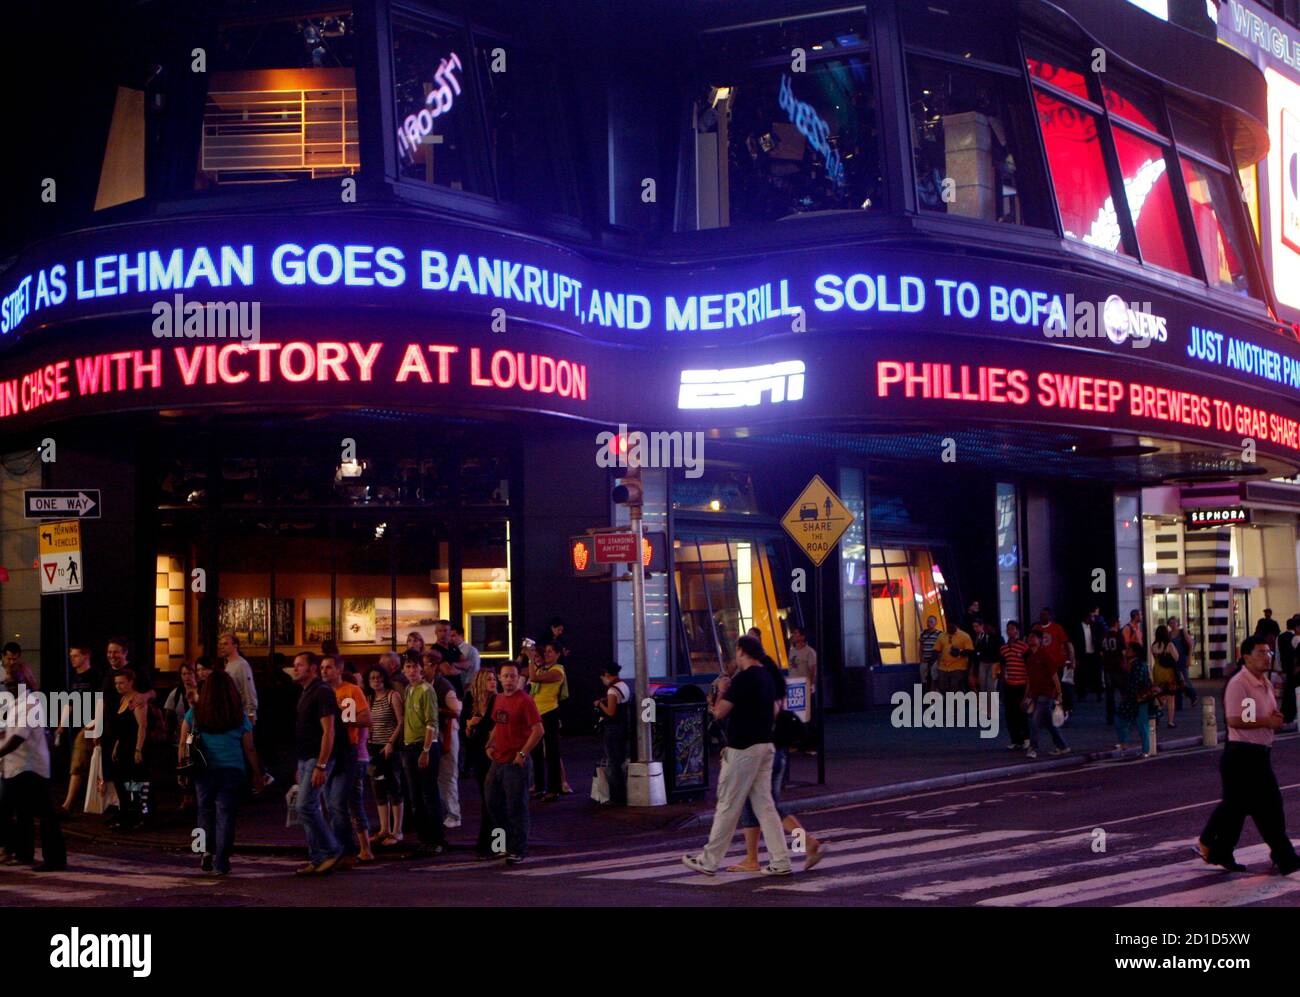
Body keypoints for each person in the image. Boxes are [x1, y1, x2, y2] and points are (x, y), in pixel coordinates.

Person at [682, 635, 793, 877]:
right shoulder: (767, 677)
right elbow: (775, 711)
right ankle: (780, 859)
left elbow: (719, 713)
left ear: (742, 651)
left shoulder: (743, 679)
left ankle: (709, 860)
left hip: (742, 748)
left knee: (727, 805)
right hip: (765, 746)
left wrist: (720, 692)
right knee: (765, 806)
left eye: (736, 652)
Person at [1196, 635, 1300, 875]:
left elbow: (1254, 714)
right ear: (1246, 657)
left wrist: (1274, 719)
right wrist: (1267, 721)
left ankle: (1216, 848)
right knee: (1267, 806)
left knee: (1237, 808)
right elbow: (1235, 719)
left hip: (1259, 754)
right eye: (1261, 653)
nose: (1267, 657)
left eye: (1269, 652)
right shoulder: (1240, 683)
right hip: (1243, 755)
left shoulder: (1263, 681)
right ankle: (1284, 856)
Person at [724, 638, 825, 873]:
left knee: (768, 807)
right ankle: (752, 858)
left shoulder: (758, 682)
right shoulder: (772, 682)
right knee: (758, 806)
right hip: (775, 751)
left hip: (762, 750)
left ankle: (807, 843)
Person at [178, 669, 265, 875]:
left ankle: (204, 851)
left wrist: (181, 767)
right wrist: (257, 774)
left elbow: (183, 742)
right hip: (232, 769)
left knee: (204, 811)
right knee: (226, 815)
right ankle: (222, 860)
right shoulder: (238, 715)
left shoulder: (196, 713)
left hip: (204, 769)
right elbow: (249, 748)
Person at [0, 660, 66, 871]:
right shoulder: (14, 703)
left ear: (25, 681)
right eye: (6, 683)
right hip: (16, 766)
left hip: (31, 767)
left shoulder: (30, 704)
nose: (9, 687)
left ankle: (54, 859)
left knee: (44, 814)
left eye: (13, 683)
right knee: (22, 813)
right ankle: (23, 853)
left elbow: (18, 737)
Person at [484, 662, 544, 863]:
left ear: (518, 678)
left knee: (516, 807)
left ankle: (518, 849)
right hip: (499, 759)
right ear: (500, 678)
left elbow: (538, 730)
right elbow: (497, 724)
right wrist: (489, 744)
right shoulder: (499, 699)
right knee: (493, 803)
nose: (509, 680)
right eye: (505, 676)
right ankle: (501, 845)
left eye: (512, 676)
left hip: (515, 762)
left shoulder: (525, 701)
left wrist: (523, 754)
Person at [291, 652, 344, 875]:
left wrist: (321, 764)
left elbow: (328, 731)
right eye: (294, 665)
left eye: (299, 665)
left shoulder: (321, 692)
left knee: (305, 805)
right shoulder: (306, 692)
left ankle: (332, 849)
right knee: (306, 807)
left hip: (317, 758)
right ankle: (317, 857)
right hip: (306, 758)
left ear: (312, 668)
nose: (295, 669)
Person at [322, 656, 372, 866]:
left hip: (349, 752)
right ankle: (339, 847)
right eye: (322, 668)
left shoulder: (351, 691)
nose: (325, 671)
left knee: (344, 803)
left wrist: (344, 720)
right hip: (329, 752)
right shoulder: (322, 693)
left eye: (329, 667)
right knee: (332, 803)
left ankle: (352, 848)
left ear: (339, 669)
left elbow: (366, 719)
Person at [399, 656, 447, 855]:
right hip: (410, 746)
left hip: (424, 746)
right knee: (415, 797)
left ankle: (436, 839)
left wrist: (426, 750)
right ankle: (424, 838)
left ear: (421, 669)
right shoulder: (409, 690)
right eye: (408, 667)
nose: (411, 671)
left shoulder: (427, 690)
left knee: (429, 795)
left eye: (414, 667)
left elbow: (432, 722)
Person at [102, 669, 152, 830]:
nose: (118, 686)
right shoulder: (122, 699)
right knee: (122, 783)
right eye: (116, 683)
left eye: (122, 682)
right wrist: (117, 745)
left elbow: (142, 726)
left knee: (135, 783)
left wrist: (138, 749)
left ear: (131, 682)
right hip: (123, 746)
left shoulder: (136, 700)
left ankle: (141, 816)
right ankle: (126, 814)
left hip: (133, 746)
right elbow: (122, 728)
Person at [55, 644, 102, 814]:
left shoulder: (95, 677)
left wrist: (97, 724)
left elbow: (100, 702)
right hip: (81, 724)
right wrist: (62, 724)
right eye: (71, 655)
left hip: (91, 723)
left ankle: (68, 805)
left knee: (78, 761)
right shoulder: (76, 678)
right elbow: (71, 702)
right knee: (85, 763)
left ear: (86, 656)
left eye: (75, 655)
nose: (72, 659)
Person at [365, 665, 405, 846]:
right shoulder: (369, 698)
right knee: (378, 788)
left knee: (394, 788)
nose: (376, 681)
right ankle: (384, 829)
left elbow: (401, 721)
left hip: (389, 749)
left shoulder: (392, 696)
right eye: (372, 678)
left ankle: (397, 831)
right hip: (373, 749)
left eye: (379, 677)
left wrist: (391, 742)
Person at [423, 650, 463, 829]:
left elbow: (456, 711)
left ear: (433, 666)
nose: (420, 669)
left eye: (423, 665)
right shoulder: (422, 685)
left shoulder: (444, 686)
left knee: (447, 774)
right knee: (435, 775)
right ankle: (441, 812)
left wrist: (437, 711)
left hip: (446, 732)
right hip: (431, 732)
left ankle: (454, 814)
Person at [464, 667, 500, 857]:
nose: (493, 683)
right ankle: (489, 844)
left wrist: (479, 724)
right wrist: (470, 726)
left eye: (494, 679)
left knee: (495, 802)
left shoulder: (498, 701)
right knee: (487, 801)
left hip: (495, 755)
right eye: (489, 680)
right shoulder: (472, 701)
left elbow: (495, 726)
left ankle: (496, 845)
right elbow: (467, 732)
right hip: (479, 756)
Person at [527, 640, 566, 801]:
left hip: (549, 712)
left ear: (558, 654)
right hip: (537, 712)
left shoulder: (558, 671)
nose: (548, 654)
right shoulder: (544, 668)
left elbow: (534, 678)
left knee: (552, 752)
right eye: (547, 651)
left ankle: (554, 789)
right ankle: (540, 786)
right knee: (536, 752)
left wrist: (530, 658)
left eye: (551, 651)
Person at [1022, 631, 1068, 760]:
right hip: (1036, 694)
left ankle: (1033, 748)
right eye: (1029, 637)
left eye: (1034, 637)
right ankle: (1062, 745)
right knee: (1048, 722)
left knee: (1035, 721)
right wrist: (1026, 696)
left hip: (1046, 694)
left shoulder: (1045, 655)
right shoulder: (1030, 658)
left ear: (1040, 640)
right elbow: (1029, 679)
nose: (1031, 639)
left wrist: (1059, 693)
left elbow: (1054, 675)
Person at [594, 664, 631, 807]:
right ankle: (621, 794)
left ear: (607, 674)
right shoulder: (623, 685)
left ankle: (617, 797)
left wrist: (599, 704)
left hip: (613, 729)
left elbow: (610, 712)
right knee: (620, 760)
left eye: (603, 677)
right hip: (623, 727)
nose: (602, 680)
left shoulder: (612, 690)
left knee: (614, 762)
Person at [1115, 638, 1154, 757]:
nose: (1126, 651)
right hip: (1139, 697)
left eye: (1129, 649)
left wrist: (1127, 694)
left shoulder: (1137, 665)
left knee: (1130, 720)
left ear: (1135, 652)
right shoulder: (1134, 664)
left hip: (1138, 697)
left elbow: (1135, 681)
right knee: (1137, 722)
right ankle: (1142, 748)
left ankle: (1132, 745)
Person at [999, 622, 1030, 751]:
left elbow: (1028, 665)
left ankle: (1026, 739)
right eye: (1008, 629)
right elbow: (1003, 664)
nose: (1009, 631)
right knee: (1010, 713)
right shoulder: (1004, 648)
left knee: (1021, 713)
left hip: (1022, 684)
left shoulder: (1024, 647)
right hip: (1009, 684)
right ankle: (1015, 740)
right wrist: (1003, 677)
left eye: (1012, 629)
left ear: (1017, 631)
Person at [217, 632, 258, 725]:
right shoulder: (229, 665)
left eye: (225, 644)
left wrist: (251, 717)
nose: (222, 647)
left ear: (235, 645)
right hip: (232, 714)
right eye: (220, 644)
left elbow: (249, 691)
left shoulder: (241, 665)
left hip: (241, 716)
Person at [1150, 625, 1181, 729]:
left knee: (1159, 694)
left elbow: (1155, 658)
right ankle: (1170, 721)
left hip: (1157, 671)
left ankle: (1158, 712)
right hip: (1168, 672)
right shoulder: (1169, 645)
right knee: (1171, 697)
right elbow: (1176, 657)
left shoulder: (1153, 645)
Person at [932, 621, 973, 694]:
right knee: (943, 686)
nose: (950, 628)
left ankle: (954, 704)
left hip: (958, 666)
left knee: (954, 687)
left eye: (951, 627)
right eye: (948, 627)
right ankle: (948, 702)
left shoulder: (964, 636)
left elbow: (970, 651)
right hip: (943, 667)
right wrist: (933, 663)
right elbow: (936, 650)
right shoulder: (942, 636)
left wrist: (959, 652)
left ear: (956, 626)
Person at [431, 620, 467, 697]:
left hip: (458, 690)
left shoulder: (453, 647)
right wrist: (461, 668)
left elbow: (468, 663)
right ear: (436, 632)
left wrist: (454, 664)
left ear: (450, 632)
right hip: (444, 692)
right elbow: (449, 671)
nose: (443, 634)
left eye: (445, 630)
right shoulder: (435, 650)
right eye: (440, 631)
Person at [1169, 617, 1199, 710]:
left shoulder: (1182, 632)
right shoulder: (1169, 635)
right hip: (1174, 659)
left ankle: (1193, 695)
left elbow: (1191, 644)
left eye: (1174, 622)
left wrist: (1189, 658)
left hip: (1182, 657)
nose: (1173, 625)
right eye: (1171, 623)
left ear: (1177, 623)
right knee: (1177, 680)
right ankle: (1179, 704)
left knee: (1184, 678)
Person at [1100, 618, 1125, 725]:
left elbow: (1101, 652)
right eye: (1118, 622)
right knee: (1123, 691)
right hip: (1118, 666)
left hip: (1107, 667)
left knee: (1109, 693)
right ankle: (1125, 713)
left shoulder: (1104, 636)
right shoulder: (1119, 636)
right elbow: (1123, 652)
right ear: (1115, 623)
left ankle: (1110, 717)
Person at [1078, 606, 1106, 702]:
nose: (1092, 619)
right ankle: (1082, 694)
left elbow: (1100, 638)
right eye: (1091, 617)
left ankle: (1099, 693)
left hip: (1094, 653)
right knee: (1082, 675)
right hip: (1083, 654)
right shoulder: (1079, 627)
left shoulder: (1095, 626)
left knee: (1097, 674)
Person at [450, 624, 481, 702]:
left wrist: (465, 691)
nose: (450, 639)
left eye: (453, 635)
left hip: (466, 691)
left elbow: (474, 672)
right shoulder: (450, 649)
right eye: (449, 636)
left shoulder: (471, 650)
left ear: (461, 635)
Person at [972, 619, 1003, 694]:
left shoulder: (999, 638)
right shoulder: (982, 636)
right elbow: (978, 649)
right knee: (983, 685)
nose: (987, 629)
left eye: (989, 627)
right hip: (983, 662)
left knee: (991, 686)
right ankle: (985, 704)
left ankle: (992, 705)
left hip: (994, 663)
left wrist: (1000, 667)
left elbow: (1001, 653)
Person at [1283, 617, 1300, 724]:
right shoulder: (1297, 639)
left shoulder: (1280, 637)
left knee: (1290, 692)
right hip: (1296, 672)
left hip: (1288, 669)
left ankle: (1288, 715)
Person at [918, 616, 942, 692]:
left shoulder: (939, 634)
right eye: (928, 621)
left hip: (934, 661)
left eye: (931, 621)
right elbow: (921, 647)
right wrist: (921, 658)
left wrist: (938, 660)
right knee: (924, 679)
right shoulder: (923, 633)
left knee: (934, 678)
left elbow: (941, 648)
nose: (929, 623)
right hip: (924, 660)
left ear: (935, 623)